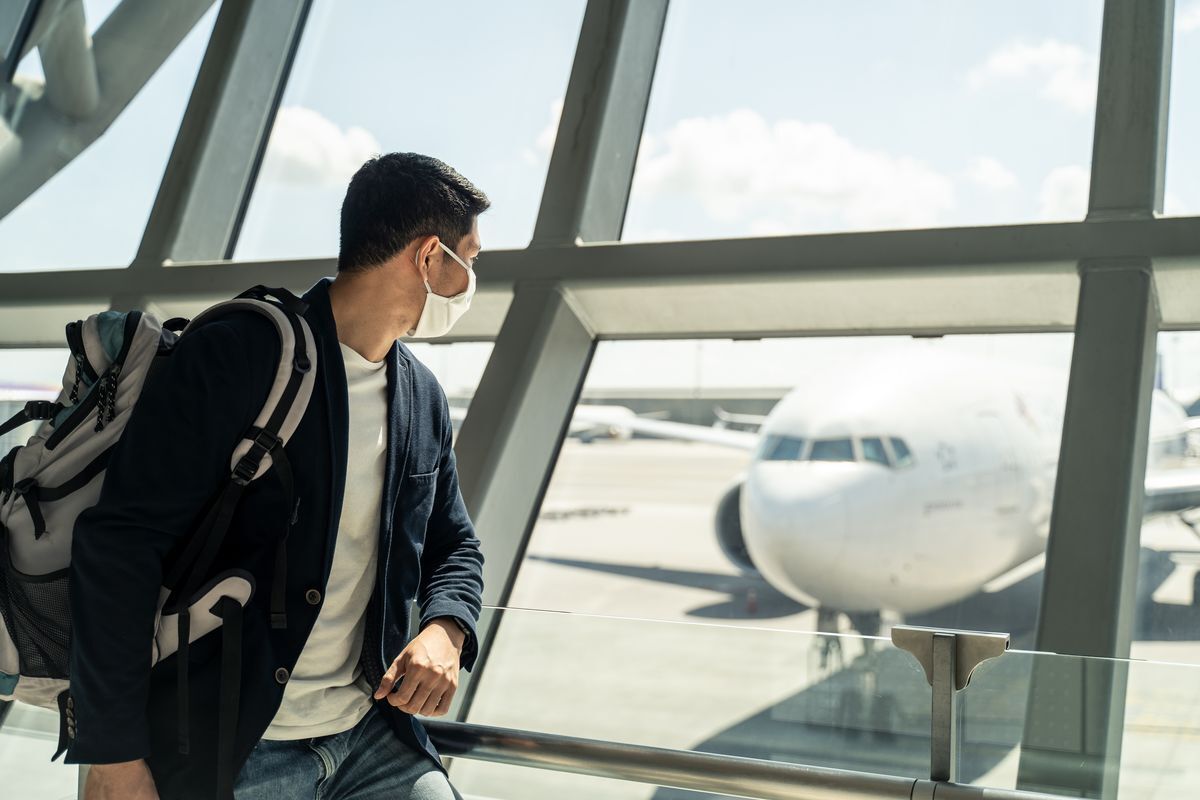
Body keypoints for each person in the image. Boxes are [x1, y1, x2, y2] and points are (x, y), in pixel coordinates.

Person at [65, 153, 489, 800]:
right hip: (229, 749)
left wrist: (446, 627)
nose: (471, 281)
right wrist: (113, 752)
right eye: (471, 259)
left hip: (373, 738)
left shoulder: (420, 397)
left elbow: (453, 542)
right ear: (431, 256)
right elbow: (119, 546)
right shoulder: (242, 353)